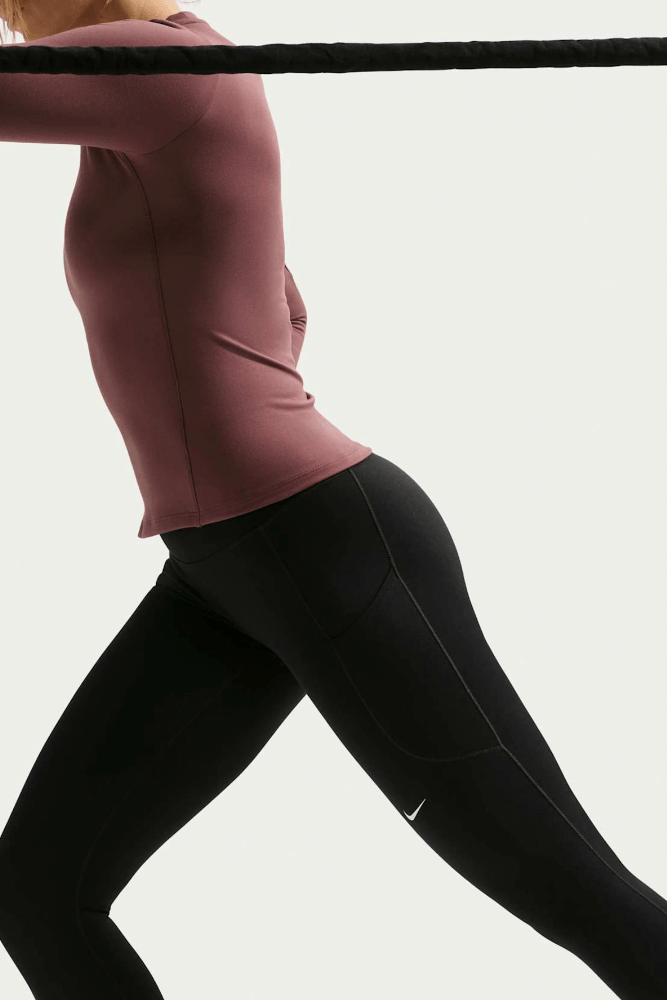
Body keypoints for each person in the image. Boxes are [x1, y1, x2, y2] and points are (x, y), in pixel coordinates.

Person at [0, 2, 666, 998]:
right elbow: (287, 305)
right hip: (226, 570)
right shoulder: (168, 94)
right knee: (39, 890)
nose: (12, 17)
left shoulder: (158, 69)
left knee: (580, 895)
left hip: (318, 546)